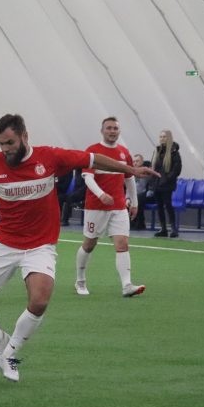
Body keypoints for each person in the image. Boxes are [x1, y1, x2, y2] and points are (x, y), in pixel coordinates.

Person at [0, 113, 158, 382]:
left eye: (10, 143)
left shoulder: (49, 158)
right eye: (1, 143)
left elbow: (91, 159)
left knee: (40, 300)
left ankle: (11, 354)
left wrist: (130, 170)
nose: (5, 149)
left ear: (24, 137)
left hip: (40, 245)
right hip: (5, 243)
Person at [74, 117, 145, 298]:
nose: (112, 131)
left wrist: (134, 202)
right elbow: (88, 178)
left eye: (115, 128)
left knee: (122, 244)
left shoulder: (124, 153)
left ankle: (127, 285)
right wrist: (101, 195)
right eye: (109, 128)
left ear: (119, 131)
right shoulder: (93, 151)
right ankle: (80, 281)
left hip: (119, 207)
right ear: (102, 131)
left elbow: (130, 178)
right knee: (89, 245)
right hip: (96, 207)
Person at [150, 129, 181, 238]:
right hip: (157, 183)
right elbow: (153, 167)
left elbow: (177, 169)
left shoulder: (174, 152)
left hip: (167, 184)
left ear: (169, 138)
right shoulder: (157, 151)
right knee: (159, 206)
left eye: (164, 136)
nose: (162, 139)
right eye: (161, 137)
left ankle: (173, 228)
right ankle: (163, 228)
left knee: (168, 205)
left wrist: (167, 179)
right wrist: (153, 180)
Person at [129, 154, 154, 230]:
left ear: (142, 162)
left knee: (138, 198)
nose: (135, 163)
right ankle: (131, 223)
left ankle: (138, 224)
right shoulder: (131, 173)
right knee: (128, 200)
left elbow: (150, 187)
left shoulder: (147, 172)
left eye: (137, 161)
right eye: (134, 162)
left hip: (147, 194)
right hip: (135, 194)